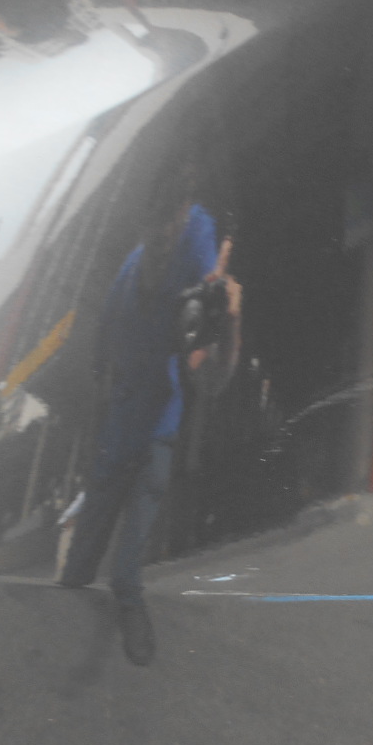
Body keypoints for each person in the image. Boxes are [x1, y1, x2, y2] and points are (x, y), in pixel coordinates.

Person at [58, 189, 241, 665]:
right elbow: (103, 347)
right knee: (97, 512)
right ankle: (75, 580)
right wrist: (104, 391)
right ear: (143, 224)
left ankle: (127, 590)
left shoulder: (195, 243)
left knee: (145, 495)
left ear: (181, 216)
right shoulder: (129, 272)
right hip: (122, 417)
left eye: (170, 219)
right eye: (154, 221)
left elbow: (210, 369)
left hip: (158, 415)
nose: (162, 232)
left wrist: (224, 316)